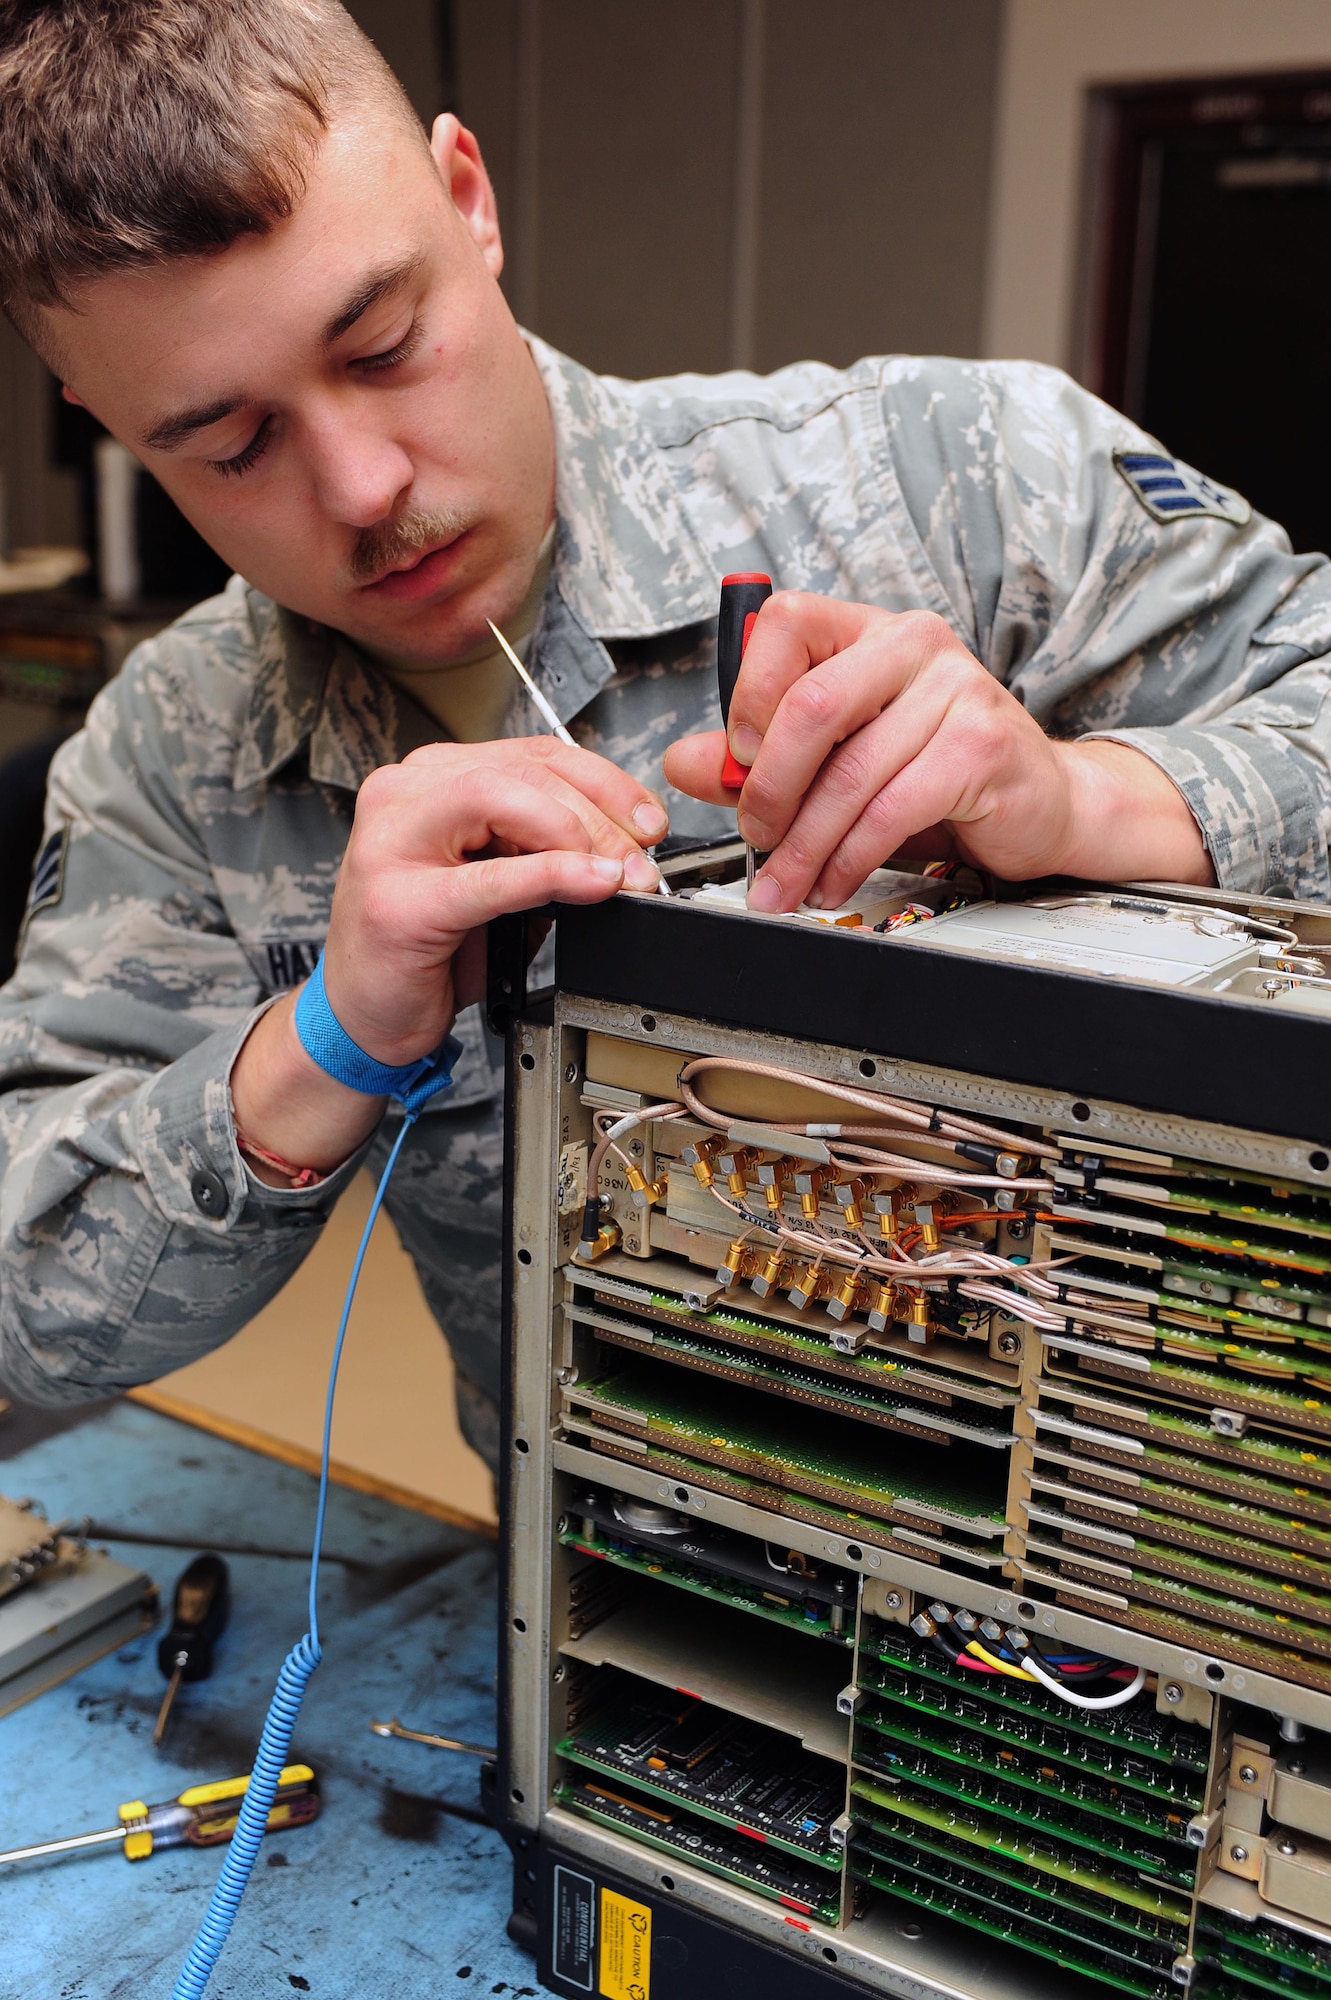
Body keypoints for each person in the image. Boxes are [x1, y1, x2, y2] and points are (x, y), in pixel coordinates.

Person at [2, 0, 1330, 1461]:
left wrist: (1101, 802)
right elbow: (28, 1310)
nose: (365, 488)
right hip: (587, 1559)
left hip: (1136, 1528)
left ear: (468, 200)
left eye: (382, 346)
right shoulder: (168, 759)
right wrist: (323, 1049)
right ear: (109, 418)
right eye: (232, 444)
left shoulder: (957, 483)